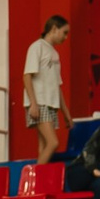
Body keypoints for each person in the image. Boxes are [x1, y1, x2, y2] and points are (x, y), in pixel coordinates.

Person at [24, 14, 70, 164]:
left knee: (44, 146)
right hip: (40, 102)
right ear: (54, 29)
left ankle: (40, 176)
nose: (66, 37)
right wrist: (33, 103)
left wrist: (66, 114)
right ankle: (35, 176)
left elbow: (57, 86)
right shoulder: (37, 47)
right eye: (64, 32)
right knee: (53, 143)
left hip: (51, 103)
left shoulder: (54, 53)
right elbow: (27, 76)